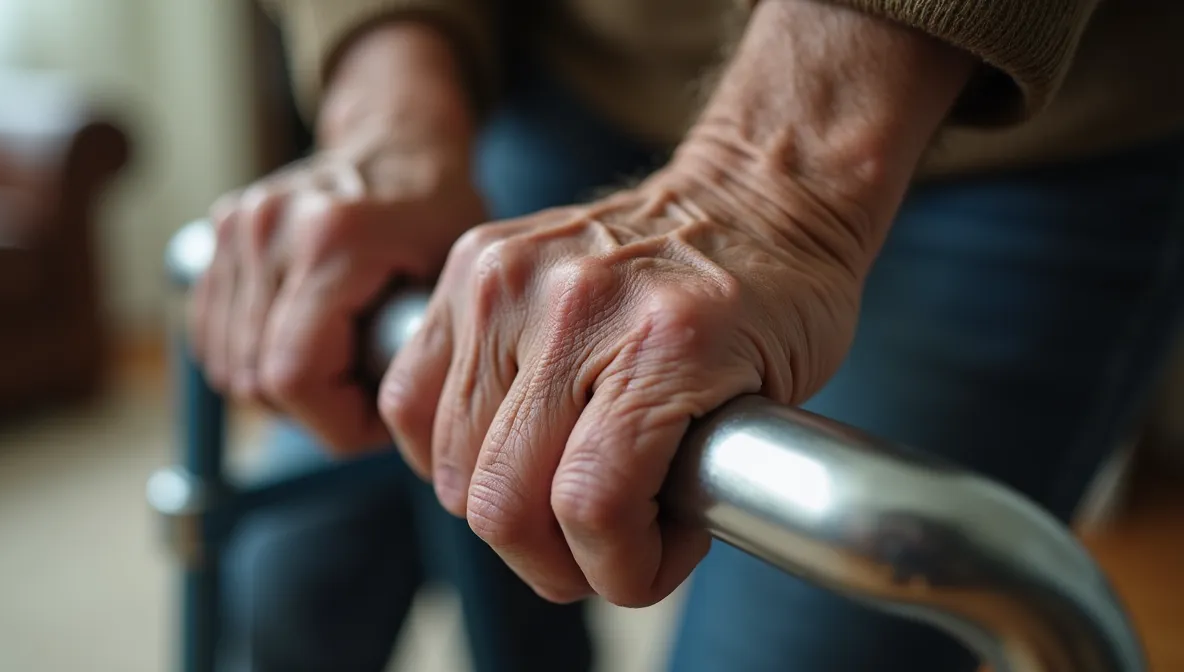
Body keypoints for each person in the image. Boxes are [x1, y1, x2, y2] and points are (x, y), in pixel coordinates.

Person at [191, 0, 1184, 670]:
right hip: (569, 68)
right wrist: (388, 104)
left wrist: (769, 182)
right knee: (286, 579)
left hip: (1019, 135)